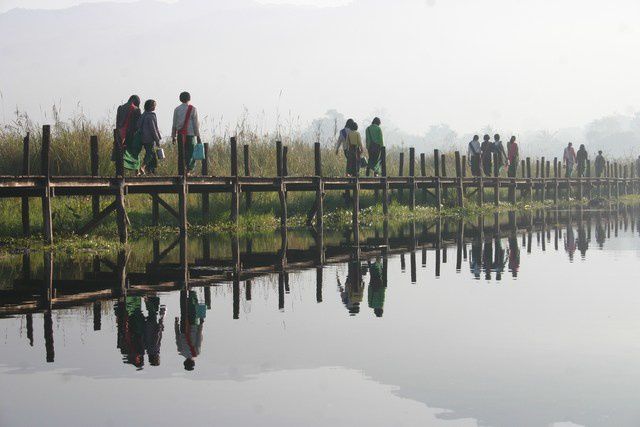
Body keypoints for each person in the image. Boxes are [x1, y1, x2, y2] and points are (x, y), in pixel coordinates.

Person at [171, 91, 202, 174]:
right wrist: (198, 136)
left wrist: (173, 136)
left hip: (180, 135)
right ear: (189, 98)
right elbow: (195, 124)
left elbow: (174, 123)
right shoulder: (193, 109)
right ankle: (188, 170)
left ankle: (182, 171)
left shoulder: (177, 109)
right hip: (191, 134)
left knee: (182, 153)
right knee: (192, 153)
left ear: (180, 99)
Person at [175, 290, 205, 371]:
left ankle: (192, 292)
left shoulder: (196, 352)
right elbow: (177, 336)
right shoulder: (180, 350)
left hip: (193, 326)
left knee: (193, 308)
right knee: (183, 310)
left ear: (193, 362)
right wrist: (176, 323)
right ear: (184, 362)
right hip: (183, 327)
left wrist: (201, 324)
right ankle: (183, 292)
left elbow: (199, 336)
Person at [138, 99, 162, 175]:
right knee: (150, 153)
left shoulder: (143, 115)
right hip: (149, 138)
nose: (155, 107)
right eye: (154, 105)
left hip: (142, 137)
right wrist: (157, 139)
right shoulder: (151, 116)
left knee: (151, 153)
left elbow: (138, 125)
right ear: (151, 106)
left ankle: (150, 171)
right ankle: (143, 166)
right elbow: (153, 129)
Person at [115, 95, 141, 159]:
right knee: (130, 155)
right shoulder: (137, 109)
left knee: (119, 153)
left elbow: (117, 122)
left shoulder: (120, 108)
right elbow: (138, 125)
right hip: (131, 135)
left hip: (119, 133)